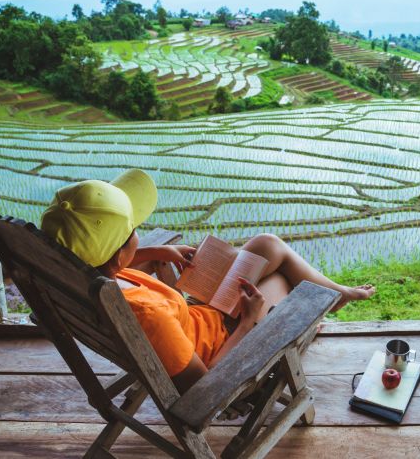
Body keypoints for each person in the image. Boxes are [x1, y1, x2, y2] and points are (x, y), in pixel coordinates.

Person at [41, 168, 375, 392]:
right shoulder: (148, 317)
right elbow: (204, 385)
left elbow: (126, 268)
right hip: (226, 341)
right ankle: (324, 308)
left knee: (265, 245)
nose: (138, 234)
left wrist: (159, 251)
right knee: (284, 285)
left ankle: (339, 293)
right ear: (117, 255)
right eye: (133, 232)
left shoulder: (93, 276)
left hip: (200, 318)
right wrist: (247, 321)